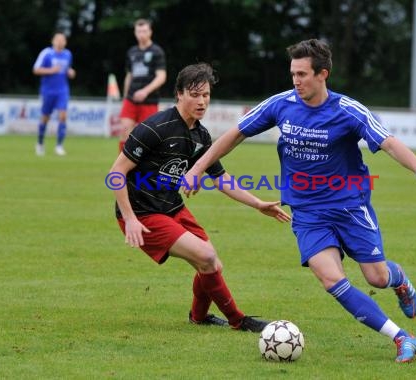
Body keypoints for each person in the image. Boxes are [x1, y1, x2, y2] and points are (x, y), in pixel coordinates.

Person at [183, 39, 416, 363]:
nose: (295, 81)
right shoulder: (281, 104)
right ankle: (402, 338)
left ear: (322, 74)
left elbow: (389, 142)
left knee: (376, 277)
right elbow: (235, 134)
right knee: (331, 279)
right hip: (308, 212)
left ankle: (400, 282)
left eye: (302, 74)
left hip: (350, 207)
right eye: (293, 73)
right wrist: (198, 168)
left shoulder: (346, 110)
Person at [109, 63, 291, 332]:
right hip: (143, 213)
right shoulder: (156, 127)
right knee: (206, 256)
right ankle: (238, 320)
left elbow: (221, 178)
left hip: (172, 207)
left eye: (206, 95)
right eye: (195, 94)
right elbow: (116, 173)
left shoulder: (201, 135)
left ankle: (199, 317)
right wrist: (130, 219)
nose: (202, 101)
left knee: (211, 262)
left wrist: (257, 204)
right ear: (179, 94)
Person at [119, 18, 167, 152]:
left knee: (146, 137)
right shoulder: (132, 52)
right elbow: (129, 76)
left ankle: (143, 167)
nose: (141, 34)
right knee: (124, 131)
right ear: (135, 33)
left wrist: (145, 91)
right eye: (139, 31)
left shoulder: (157, 51)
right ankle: (121, 169)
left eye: (144, 31)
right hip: (131, 99)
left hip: (149, 101)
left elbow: (161, 77)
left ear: (150, 32)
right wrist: (125, 97)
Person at [33, 31, 76, 156]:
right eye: (58, 39)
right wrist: (51, 70)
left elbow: (67, 69)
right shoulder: (46, 53)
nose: (60, 42)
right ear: (53, 41)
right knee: (45, 118)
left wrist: (70, 72)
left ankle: (59, 146)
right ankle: (40, 143)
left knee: (63, 116)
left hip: (62, 90)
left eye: (62, 40)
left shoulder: (68, 54)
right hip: (48, 90)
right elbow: (36, 69)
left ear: (65, 42)